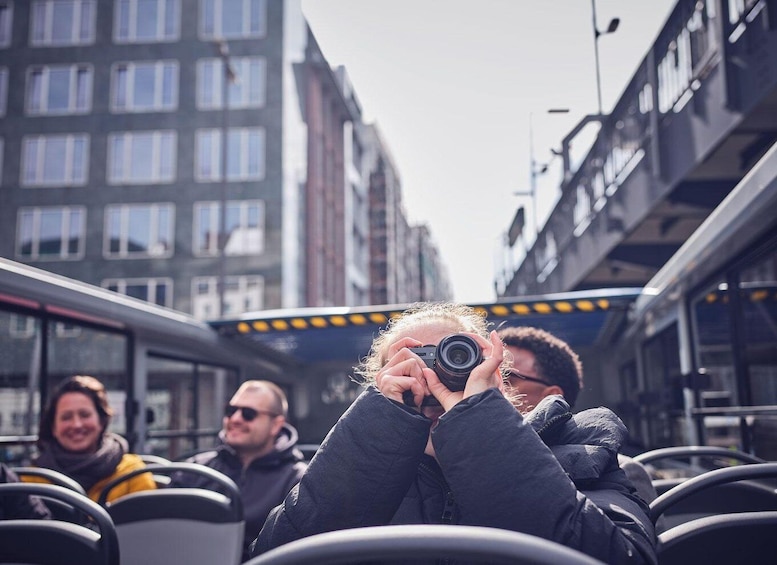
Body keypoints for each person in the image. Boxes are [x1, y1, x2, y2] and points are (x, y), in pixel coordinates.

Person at [250, 302, 657, 564]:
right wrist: (380, 422)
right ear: (380, 387)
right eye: (410, 365)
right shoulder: (355, 464)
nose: (432, 378)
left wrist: (479, 417)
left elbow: (625, 557)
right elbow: (277, 555)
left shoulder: (586, 450)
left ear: (495, 373)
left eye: (454, 357)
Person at [497, 325, 660, 511]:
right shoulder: (470, 464)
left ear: (551, 397)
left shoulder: (624, 473)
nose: (488, 383)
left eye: (505, 376)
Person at [170, 380, 307, 562]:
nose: (235, 419)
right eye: (230, 410)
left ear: (276, 425)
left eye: (248, 414)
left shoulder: (297, 482)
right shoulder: (194, 469)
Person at [23, 375, 155, 502]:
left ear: (102, 421)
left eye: (85, 415)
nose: (76, 425)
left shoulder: (132, 473)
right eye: (66, 417)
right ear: (53, 427)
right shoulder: (33, 479)